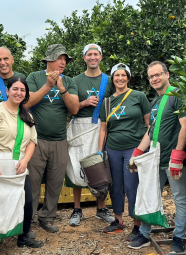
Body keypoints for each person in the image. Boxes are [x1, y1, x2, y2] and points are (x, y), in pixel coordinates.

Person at [127, 61, 186, 253]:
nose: (155, 79)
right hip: (156, 158)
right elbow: (151, 131)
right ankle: (145, 235)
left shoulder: (177, 96)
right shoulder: (155, 101)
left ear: (167, 74)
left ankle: (178, 239)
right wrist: (137, 153)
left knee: (180, 198)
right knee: (150, 194)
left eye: (158, 74)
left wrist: (178, 157)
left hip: (174, 160)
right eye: (151, 76)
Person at [0, 76, 43, 249]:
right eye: (15, 89)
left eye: (22, 90)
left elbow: (32, 141)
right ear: (7, 91)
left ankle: (23, 237)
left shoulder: (26, 114)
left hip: (18, 167)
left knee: (26, 202)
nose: (19, 92)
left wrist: (25, 160)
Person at [24, 44, 79, 237]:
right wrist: (48, 86)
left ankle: (47, 217)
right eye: (59, 58)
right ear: (48, 60)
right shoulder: (34, 77)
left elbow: (74, 109)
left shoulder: (70, 81)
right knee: (32, 182)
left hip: (60, 140)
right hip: (36, 140)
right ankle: (28, 221)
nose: (63, 62)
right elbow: (27, 103)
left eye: (65, 59)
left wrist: (62, 88)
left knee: (56, 182)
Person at [98, 63, 150, 237]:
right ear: (112, 79)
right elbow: (103, 129)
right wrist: (100, 151)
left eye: (123, 75)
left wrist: (147, 148)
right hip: (112, 148)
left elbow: (149, 125)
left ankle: (137, 224)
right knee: (115, 185)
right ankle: (118, 220)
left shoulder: (139, 96)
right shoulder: (106, 102)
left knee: (132, 185)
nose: (120, 78)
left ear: (128, 77)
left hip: (134, 149)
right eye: (116, 75)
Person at [66, 44, 115, 227]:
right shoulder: (74, 81)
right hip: (80, 126)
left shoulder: (109, 81)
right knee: (77, 165)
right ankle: (77, 209)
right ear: (84, 58)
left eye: (96, 54)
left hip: (101, 127)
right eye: (89, 54)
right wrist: (85, 102)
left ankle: (101, 208)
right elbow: (70, 107)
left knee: (100, 166)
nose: (93, 57)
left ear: (101, 57)